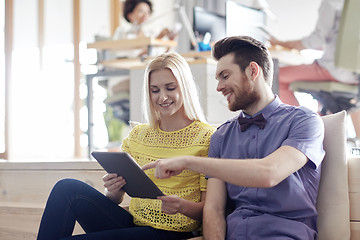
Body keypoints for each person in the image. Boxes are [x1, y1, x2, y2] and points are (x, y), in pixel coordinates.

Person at [143, 36, 325, 239]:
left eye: (225, 76)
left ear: (253, 71)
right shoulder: (222, 135)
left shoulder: (304, 121)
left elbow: (269, 173)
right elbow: (214, 210)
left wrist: (187, 162)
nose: (219, 87)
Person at [36, 52, 215, 240]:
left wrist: (180, 206)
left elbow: (211, 209)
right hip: (134, 223)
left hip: (174, 233)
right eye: (155, 90)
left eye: (170, 88)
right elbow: (116, 199)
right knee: (66, 188)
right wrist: (113, 190)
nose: (162, 97)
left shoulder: (206, 137)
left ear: (184, 87)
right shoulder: (138, 135)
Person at [269, 0, 360, 139]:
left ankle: (302, 126)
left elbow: (316, 40)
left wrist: (280, 42)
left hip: (335, 71)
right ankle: (316, 126)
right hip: (355, 75)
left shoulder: (332, 2)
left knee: (276, 77)